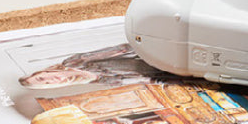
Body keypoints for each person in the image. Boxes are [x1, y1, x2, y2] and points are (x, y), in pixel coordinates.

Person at [18, 44, 162, 90]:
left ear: (44, 71)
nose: (51, 80)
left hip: (156, 55)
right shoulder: (94, 82)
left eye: (42, 78)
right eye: (46, 84)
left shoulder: (74, 62)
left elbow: (123, 49)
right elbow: (143, 80)